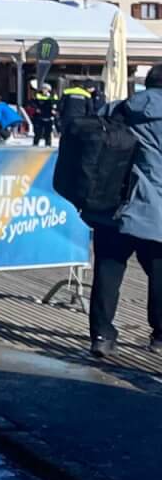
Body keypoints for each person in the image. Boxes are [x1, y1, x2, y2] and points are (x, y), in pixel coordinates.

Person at [92, 65, 162, 358]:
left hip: (112, 206)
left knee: (107, 272)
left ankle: (102, 336)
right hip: (155, 210)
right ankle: (159, 337)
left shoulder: (118, 109)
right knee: (160, 275)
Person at [28, 77, 57, 147]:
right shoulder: (37, 95)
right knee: (38, 132)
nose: (44, 90)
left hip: (49, 117)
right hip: (39, 116)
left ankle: (48, 144)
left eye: (46, 89)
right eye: (43, 88)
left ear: (49, 90)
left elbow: (56, 103)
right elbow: (32, 103)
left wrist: (54, 109)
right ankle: (35, 144)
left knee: (48, 132)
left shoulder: (53, 96)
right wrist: (36, 108)